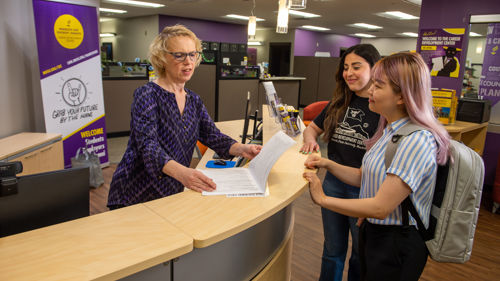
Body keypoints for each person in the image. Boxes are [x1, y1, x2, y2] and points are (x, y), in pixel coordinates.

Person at [303, 52, 451, 281]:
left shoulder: (416, 139)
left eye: (378, 86)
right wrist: (327, 163)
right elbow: (364, 177)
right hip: (375, 231)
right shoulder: (389, 130)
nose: (370, 91)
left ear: (402, 96)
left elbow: (382, 207)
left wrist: (322, 198)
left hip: (396, 242)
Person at [107, 25, 261, 209]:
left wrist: (243, 149)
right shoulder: (147, 94)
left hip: (171, 189)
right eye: (179, 55)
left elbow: (212, 136)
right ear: (162, 58)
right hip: (135, 193)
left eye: (192, 54)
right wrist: (183, 173)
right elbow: (148, 147)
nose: (188, 62)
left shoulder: (193, 99)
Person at [300, 44, 381, 281]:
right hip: (333, 185)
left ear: (374, 69)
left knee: (359, 253)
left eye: (357, 67)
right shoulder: (339, 102)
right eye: (346, 68)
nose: (349, 73)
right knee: (332, 251)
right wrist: (310, 142)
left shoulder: (382, 108)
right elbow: (311, 129)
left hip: (364, 190)